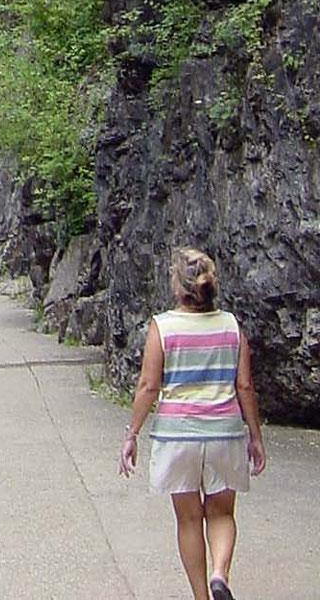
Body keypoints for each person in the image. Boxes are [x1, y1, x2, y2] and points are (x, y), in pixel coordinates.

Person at [119, 247, 266, 600]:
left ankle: (202, 596)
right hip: (224, 433)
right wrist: (255, 436)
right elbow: (244, 385)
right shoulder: (232, 326)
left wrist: (132, 434)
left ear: (178, 286)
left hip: (177, 436)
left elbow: (148, 386)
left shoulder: (163, 327)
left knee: (188, 520)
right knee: (221, 513)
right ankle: (220, 575)